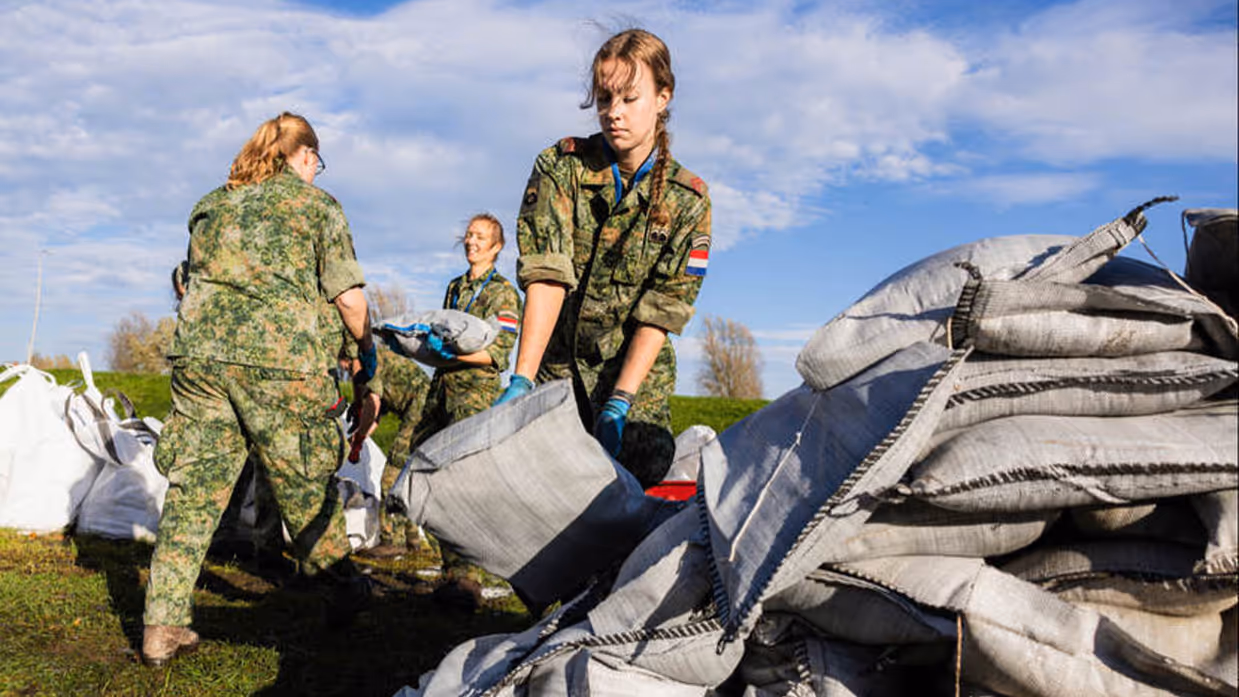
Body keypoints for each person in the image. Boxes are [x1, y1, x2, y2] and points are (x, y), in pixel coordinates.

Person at [142, 112, 382, 666]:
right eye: (316, 163)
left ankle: (162, 625)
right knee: (301, 487)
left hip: (200, 359)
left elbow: (184, 280)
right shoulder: (316, 206)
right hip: (278, 363)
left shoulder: (211, 204)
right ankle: (345, 591)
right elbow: (348, 298)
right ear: (303, 156)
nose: (317, 173)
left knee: (194, 490)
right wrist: (367, 355)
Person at [495, 29, 712, 489]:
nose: (614, 112)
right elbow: (547, 276)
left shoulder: (688, 201)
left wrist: (619, 403)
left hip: (633, 374)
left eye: (630, 98)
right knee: (546, 493)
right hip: (558, 368)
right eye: (605, 98)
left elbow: (661, 312)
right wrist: (522, 381)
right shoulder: (562, 167)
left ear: (662, 97)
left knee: (637, 482)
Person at [411, 213, 522, 443]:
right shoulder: (455, 286)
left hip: (473, 396)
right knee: (416, 454)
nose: (471, 241)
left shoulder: (504, 293)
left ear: (496, 247)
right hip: (440, 390)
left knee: (460, 462)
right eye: (469, 235)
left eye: (480, 237)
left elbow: (498, 355)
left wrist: (454, 353)